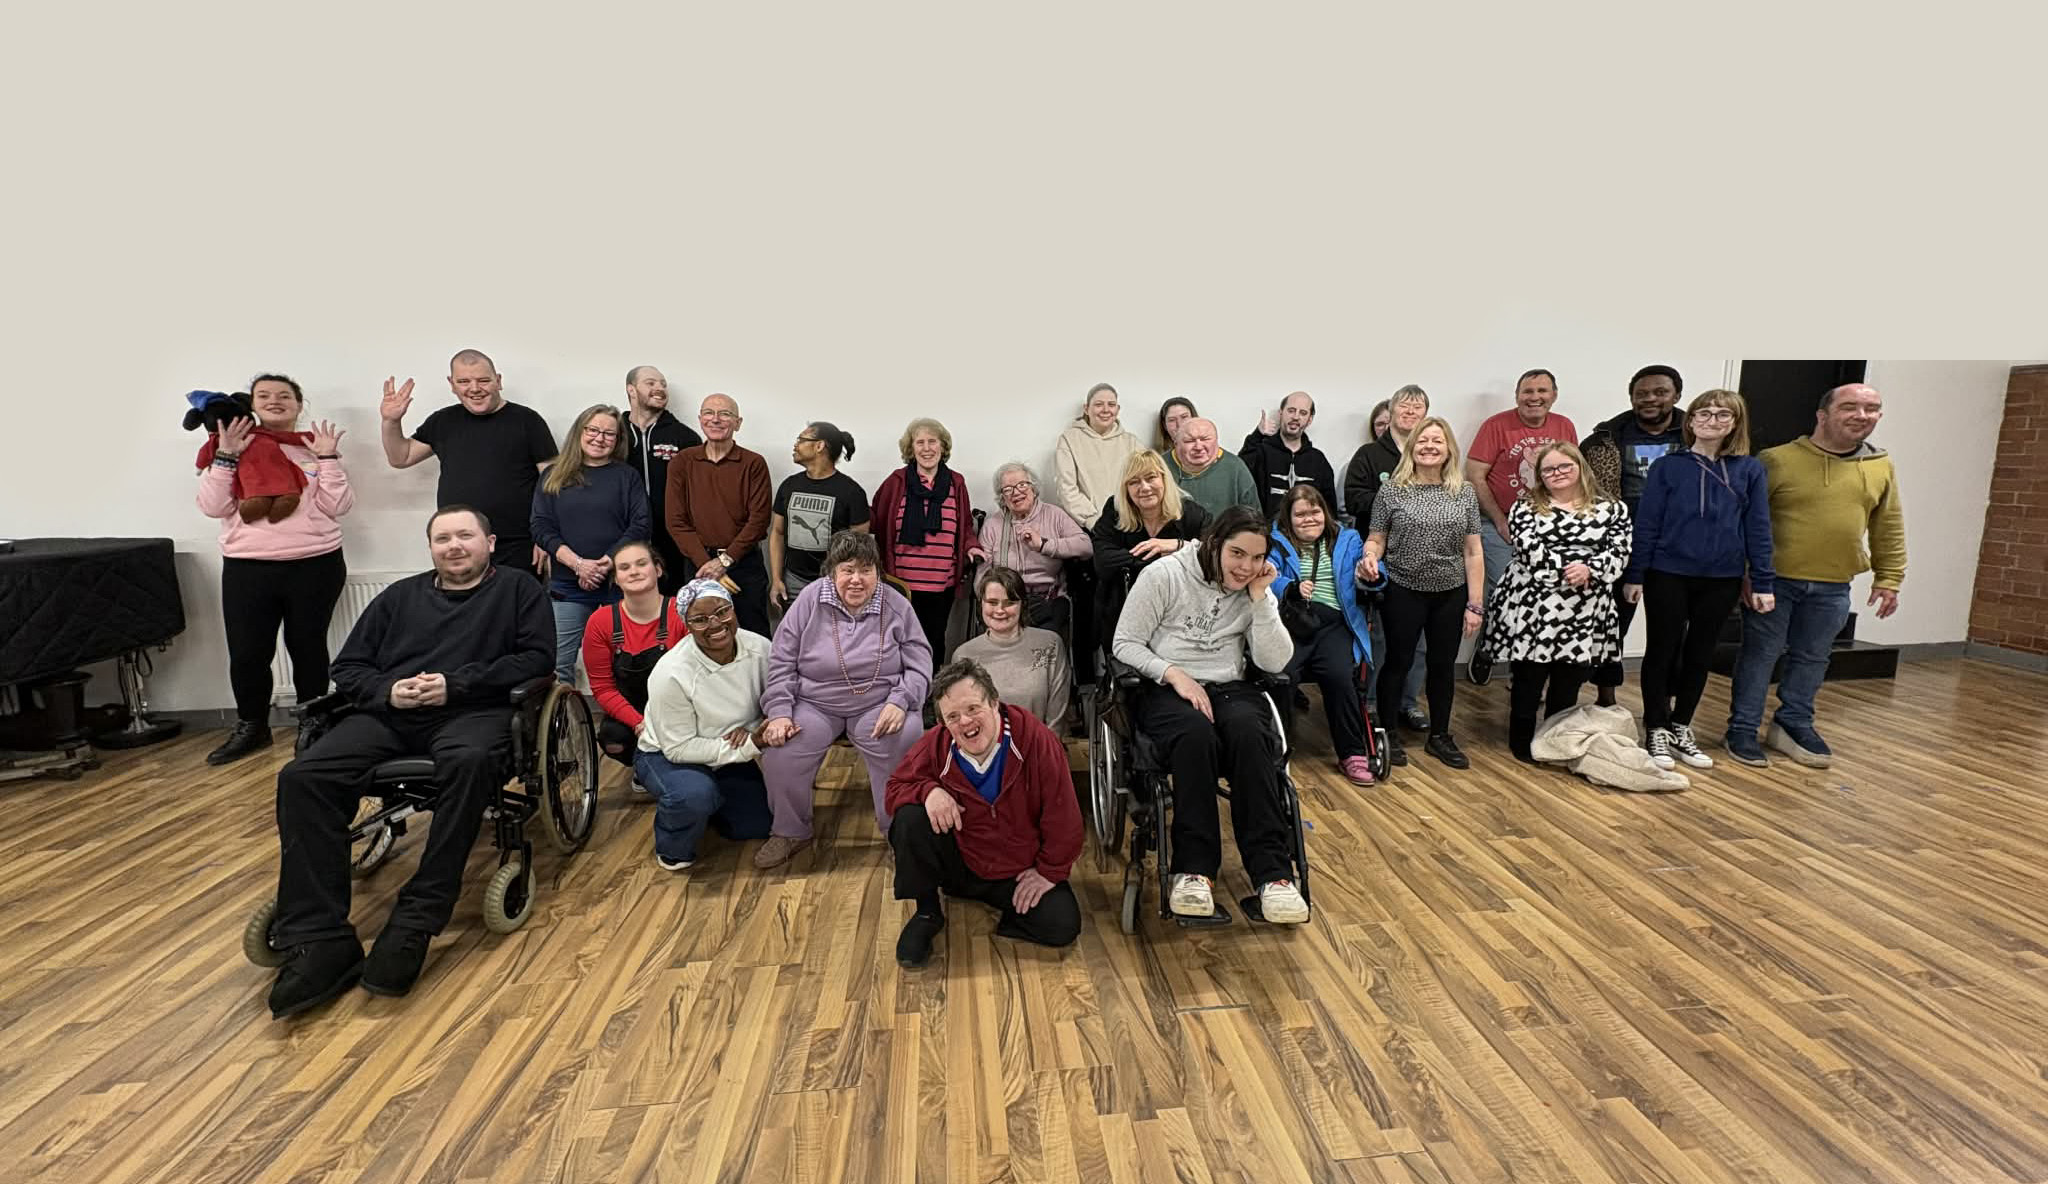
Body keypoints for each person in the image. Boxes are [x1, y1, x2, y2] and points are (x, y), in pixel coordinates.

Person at [265, 505, 553, 1018]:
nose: (454, 546)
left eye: (465, 535)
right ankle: (319, 936)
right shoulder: (398, 597)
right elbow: (349, 666)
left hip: (474, 710)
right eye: (443, 538)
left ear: (489, 543)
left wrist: (454, 684)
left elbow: (536, 660)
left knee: (468, 762)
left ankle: (417, 919)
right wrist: (388, 690)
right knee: (304, 776)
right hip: (391, 714)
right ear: (431, 548)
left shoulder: (518, 591)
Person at [1111, 506, 1309, 924]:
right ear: (1215, 544)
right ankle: (1193, 871)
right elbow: (1125, 643)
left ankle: (1273, 875)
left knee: (1250, 734)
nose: (1246, 567)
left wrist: (1260, 601)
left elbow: (1275, 662)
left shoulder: (1254, 587)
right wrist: (1174, 674)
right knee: (1194, 736)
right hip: (1166, 685)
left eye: (1257, 557)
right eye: (1238, 554)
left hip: (1229, 685)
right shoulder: (1165, 576)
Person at [1725, 383, 1905, 769]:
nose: (1861, 415)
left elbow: (1888, 524)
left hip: (1834, 584)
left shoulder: (1880, 465)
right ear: (1823, 415)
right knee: (1760, 656)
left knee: (1813, 658)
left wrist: (1889, 577)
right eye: (1850, 407)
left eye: (1871, 408)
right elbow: (1746, 521)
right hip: (1773, 582)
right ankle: (1742, 728)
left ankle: (1793, 723)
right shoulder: (1776, 460)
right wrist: (1746, 572)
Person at [194, 374, 353, 766]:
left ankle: (313, 725)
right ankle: (252, 727)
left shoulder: (312, 447)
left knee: (308, 648)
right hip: (248, 568)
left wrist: (328, 459)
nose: (275, 401)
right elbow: (213, 506)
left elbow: (339, 505)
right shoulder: (230, 445)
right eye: (264, 395)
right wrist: (226, 456)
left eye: (285, 395)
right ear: (251, 404)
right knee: (248, 653)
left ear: (299, 404)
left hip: (316, 563)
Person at [884, 658, 1084, 967]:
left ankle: (1003, 912)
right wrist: (929, 791)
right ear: (943, 723)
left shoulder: (1036, 740)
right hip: (961, 863)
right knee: (910, 817)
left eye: (973, 708)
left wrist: (1048, 872)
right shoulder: (935, 746)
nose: (964, 722)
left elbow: (1064, 816)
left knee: (1062, 925)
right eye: (953, 716)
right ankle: (926, 912)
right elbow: (895, 788)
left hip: (1018, 869)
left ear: (994, 703)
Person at [754, 531, 933, 868]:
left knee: (904, 736)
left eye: (866, 570)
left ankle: (899, 833)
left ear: (878, 572)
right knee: (781, 751)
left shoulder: (895, 604)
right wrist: (779, 711)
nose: (856, 579)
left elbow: (920, 660)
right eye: (847, 570)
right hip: (814, 703)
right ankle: (790, 831)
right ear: (831, 571)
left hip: (880, 702)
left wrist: (902, 699)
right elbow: (781, 660)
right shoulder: (810, 599)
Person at [1623, 390, 1774, 771]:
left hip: (1722, 577)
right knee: (1662, 649)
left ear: (1735, 423)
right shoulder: (1668, 467)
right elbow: (1647, 523)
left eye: (1722, 414)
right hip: (1668, 572)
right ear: (1690, 421)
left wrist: (1762, 581)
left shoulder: (1750, 470)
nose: (1711, 420)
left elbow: (1758, 528)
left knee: (1700, 652)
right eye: (1703, 413)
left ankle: (1681, 725)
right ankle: (1656, 725)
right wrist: (1636, 573)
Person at [1486, 442, 1633, 763]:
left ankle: (1553, 741)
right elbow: (1529, 550)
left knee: (1569, 680)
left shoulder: (1613, 509)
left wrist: (1590, 570)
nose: (1557, 473)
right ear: (1539, 476)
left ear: (1580, 467)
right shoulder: (1526, 507)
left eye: (1565, 466)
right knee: (1528, 678)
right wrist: (1572, 571)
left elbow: (1620, 552)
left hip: (1586, 608)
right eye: (1549, 469)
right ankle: (1521, 743)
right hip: (1534, 605)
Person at [1360, 417, 1486, 769]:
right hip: (1403, 588)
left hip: (1450, 591)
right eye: (1423, 441)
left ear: (1449, 449)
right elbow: (1377, 538)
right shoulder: (1392, 490)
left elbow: (1473, 551)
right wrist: (1369, 556)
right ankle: (1388, 732)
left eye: (1437, 441)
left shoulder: (1464, 492)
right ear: (1412, 447)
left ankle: (1440, 735)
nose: (1429, 446)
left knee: (1442, 666)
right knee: (1397, 662)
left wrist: (1475, 604)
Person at [634, 579, 775, 870]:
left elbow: (775, 699)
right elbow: (678, 748)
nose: (715, 624)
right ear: (686, 625)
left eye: (722, 611)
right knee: (694, 796)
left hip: (729, 750)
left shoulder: (761, 648)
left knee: (757, 826)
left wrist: (754, 728)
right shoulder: (671, 673)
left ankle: (706, 804)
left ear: (733, 609)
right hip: (666, 755)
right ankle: (673, 845)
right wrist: (750, 744)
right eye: (700, 619)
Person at [379, 349, 556, 578]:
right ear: (452, 384)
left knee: (516, 601)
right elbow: (400, 457)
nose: (474, 388)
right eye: (464, 381)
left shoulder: (527, 420)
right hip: (458, 546)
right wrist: (390, 421)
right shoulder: (442, 421)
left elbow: (553, 483)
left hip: (519, 545)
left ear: (498, 381)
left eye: (483, 380)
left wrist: (546, 537)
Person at [1579, 365, 1686, 706]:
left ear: (1677, 395)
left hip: (1676, 550)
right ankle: (1605, 700)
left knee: (1671, 633)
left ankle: (1662, 708)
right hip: (1619, 548)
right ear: (1631, 398)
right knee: (1610, 627)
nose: (1650, 399)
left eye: (1660, 392)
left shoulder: (1697, 438)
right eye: (1642, 394)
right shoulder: (1603, 440)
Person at [1465, 369, 1579, 685]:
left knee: (1544, 593)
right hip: (1497, 522)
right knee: (1504, 591)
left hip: (1547, 526)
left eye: (1542, 391)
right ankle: (1488, 646)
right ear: (1517, 396)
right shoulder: (1496, 426)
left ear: (1554, 395)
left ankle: (1526, 668)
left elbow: (1573, 475)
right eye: (1528, 391)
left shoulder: (1564, 426)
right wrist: (1500, 520)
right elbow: (1475, 476)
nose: (1534, 397)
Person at [532, 404, 650, 684]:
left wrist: (606, 563)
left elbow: (641, 525)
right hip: (567, 586)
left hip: (619, 584)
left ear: (617, 440)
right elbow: (541, 526)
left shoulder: (627, 476)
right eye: (593, 430)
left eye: (609, 434)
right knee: (559, 668)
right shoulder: (553, 475)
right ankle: (565, 715)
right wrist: (578, 565)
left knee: (631, 666)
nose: (600, 438)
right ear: (579, 432)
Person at [1267, 486, 1375, 786]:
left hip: (1334, 623)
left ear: (1324, 513)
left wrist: (1371, 574)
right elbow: (1266, 574)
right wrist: (1290, 587)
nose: (1309, 519)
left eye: (1314, 512)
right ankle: (1276, 752)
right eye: (1300, 514)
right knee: (1281, 678)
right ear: (1288, 518)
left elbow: (1372, 572)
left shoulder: (1348, 539)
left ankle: (1352, 753)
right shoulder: (1275, 542)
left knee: (1340, 677)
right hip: (1291, 622)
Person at [1341, 384, 1431, 731]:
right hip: (1379, 558)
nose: (1410, 413)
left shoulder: (1432, 455)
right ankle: (1373, 701)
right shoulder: (1369, 455)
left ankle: (1408, 702)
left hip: (1424, 561)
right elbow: (1354, 499)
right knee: (1379, 636)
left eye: (1417, 408)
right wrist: (1396, 501)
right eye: (1404, 407)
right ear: (1391, 412)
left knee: (1418, 640)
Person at [872, 418, 984, 664]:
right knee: (899, 642)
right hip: (901, 583)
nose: (926, 448)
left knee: (934, 642)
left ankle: (931, 687)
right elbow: (876, 519)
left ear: (942, 446)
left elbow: (964, 525)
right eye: (919, 442)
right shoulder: (896, 481)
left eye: (932, 442)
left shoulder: (956, 482)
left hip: (941, 583)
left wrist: (972, 546)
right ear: (910, 448)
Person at [664, 393, 774, 636]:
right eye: (709, 413)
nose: (715, 419)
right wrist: (706, 565)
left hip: (744, 565)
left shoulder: (753, 463)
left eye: (725, 414)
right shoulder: (682, 462)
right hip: (698, 563)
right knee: (704, 633)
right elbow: (676, 521)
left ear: (738, 423)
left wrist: (724, 561)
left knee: (753, 633)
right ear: (700, 419)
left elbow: (758, 520)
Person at [581, 540, 690, 773]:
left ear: (658, 570)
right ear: (616, 579)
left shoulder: (682, 613)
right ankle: (641, 767)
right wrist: (639, 723)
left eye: (641, 564)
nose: (634, 572)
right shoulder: (600, 622)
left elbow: (697, 677)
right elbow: (603, 688)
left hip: (680, 706)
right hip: (631, 710)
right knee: (613, 738)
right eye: (624, 567)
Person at [1091, 449, 1209, 637]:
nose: (1144, 487)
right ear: (1126, 488)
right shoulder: (1115, 510)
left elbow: (1212, 557)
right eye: (1134, 482)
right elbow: (1103, 562)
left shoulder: (1192, 514)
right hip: (1123, 614)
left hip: (1179, 617)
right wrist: (1163, 555)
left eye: (1150, 478)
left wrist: (1178, 545)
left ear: (1164, 479)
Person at [977, 462, 1090, 636]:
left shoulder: (1055, 515)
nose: (1016, 492)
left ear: (1033, 488)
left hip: (1048, 599)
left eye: (1022, 485)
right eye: (1008, 489)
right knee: (1003, 637)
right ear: (1002, 497)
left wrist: (1044, 545)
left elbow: (1085, 546)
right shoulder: (992, 525)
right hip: (1007, 600)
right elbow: (982, 576)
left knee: (1043, 639)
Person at [953, 567, 1071, 732]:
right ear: (981, 604)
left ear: (1022, 604)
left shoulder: (1050, 644)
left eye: (1009, 603)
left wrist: (1046, 746)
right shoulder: (964, 655)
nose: (1000, 610)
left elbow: (1056, 718)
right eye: (992, 602)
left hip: (1039, 745)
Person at [770, 421, 869, 611]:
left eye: (801, 440)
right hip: (793, 582)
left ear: (819, 446)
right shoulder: (789, 486)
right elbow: (777, 532)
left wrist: (844, 583)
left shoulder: (851, 492)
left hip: (835, 584)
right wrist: (776, 579)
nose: (795, 445)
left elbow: (860, 547)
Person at [620, 365, 702, 594]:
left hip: (674, 544)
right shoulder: (613, 434)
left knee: (673, 604)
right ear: (631, 390)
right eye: (651, 383)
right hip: (624, 539)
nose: (660, 388)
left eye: (663, 384)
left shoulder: (685, 437)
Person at [1054, 383, 1141, 530]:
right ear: (1086, 409)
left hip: (1129, 523)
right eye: (1099, 404)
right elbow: (1066, 488)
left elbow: (1143, 483)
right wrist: (1094, 521)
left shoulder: (1132, 442)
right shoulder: (1069, 440)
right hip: (1091, 527)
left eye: (1111, 405)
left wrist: (1132, 517)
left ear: (1117, 409)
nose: (1106, 410)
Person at [1239, 390, 1339, 518]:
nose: (1296, 417)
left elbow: (1329, 507)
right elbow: (1240, 473)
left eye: (1303, 413)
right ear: (1281, 413)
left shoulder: (1318, 460)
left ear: (1310, 420)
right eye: (1291, 411)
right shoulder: (1262, 452)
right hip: (1267, 527)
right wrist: (1257, 435)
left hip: (1306, 528)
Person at [1167, 417, 1262, 518]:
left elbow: (1254, 519)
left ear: (1217, 441)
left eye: (1205, 439)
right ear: (1176, 444)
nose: (1198, 447)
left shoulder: (1235, 468)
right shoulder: (1161, 466)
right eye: (1189, 441)